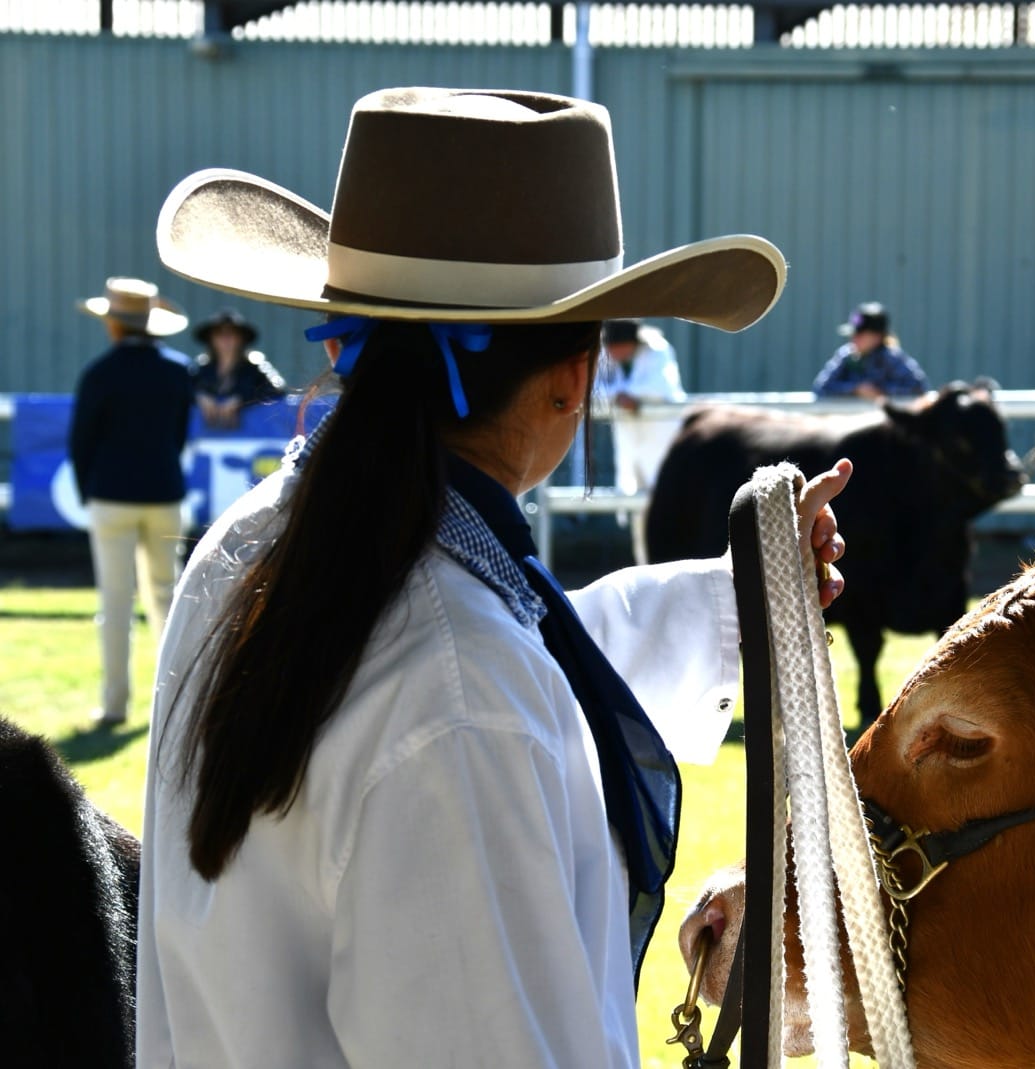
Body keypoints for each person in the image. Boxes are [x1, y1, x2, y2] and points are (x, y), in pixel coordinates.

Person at [137, 87, 850, 1069]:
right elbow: (484, 699)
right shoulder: (462, 681)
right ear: (574, 376)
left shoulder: (254, 549)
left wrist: (736, 601)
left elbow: (525, 666)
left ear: (347, 341)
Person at [69, 277, 194, 727]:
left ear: (115, 326)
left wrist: (91, 491)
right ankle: (177, 700)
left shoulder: (100, 373)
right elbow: (179, 435)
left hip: (111, 497)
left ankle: (115, 704)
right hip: (163, 492)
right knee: (169, 598)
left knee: (116, 603)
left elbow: (81, 441)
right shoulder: (177, 371)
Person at [597, 318, 687, 563]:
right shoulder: (607, 358)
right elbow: (595, 389)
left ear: (631, 343)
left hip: (661, 438)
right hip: (631, 441)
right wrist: (620, 397)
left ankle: (672, 562)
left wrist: (632, 396)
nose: (613, 353)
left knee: (666, 501)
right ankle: (644, 565)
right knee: (637, 508)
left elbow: (663, 387)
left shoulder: (658, 349)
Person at [191, 307, 286, 428]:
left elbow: (278, 389)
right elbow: (182, 388)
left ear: (241, 339)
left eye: (231, 333)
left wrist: (241, 399)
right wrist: (200, 397)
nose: (226, 339)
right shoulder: (200, 369)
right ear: (211, 339)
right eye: (219, 334)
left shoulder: (255, 367)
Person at [812, 301, 929, 398]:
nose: (854, 339)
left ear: (877, 337)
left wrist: (881, 392)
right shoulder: (846, 355)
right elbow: (820, 388)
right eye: (853, 334)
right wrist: (855, 389)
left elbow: (919, 388)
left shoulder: (892, 358)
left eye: (860, 335)